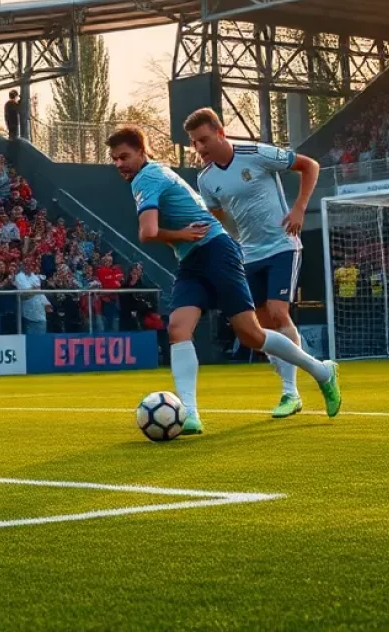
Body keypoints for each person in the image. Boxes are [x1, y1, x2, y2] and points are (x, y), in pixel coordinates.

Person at [106, 124, 340, 436]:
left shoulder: (146, 178)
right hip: (192, 259)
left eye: (124, 157)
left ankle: (321, 371)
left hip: (216, 250)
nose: (119, 164)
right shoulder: (156, 175)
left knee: (252, 335)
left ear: (140, 152)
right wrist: (182, 238)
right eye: (114, 159)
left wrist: (179, 235)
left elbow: (147, 233)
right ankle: (189, 414)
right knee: (178, 328)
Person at [188, 108, 321, 418]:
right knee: (259, 327)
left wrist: (300, 208)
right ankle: (297, 388)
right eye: (195, 143)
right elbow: (218, 215)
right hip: (248, 254)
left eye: (204, 140)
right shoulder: (205, 179)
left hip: (282, 245)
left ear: (220, 132)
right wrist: (231, 241)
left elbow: (309, 165)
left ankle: (292, 390)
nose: (200, 148)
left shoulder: (256, 153)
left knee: (277, 312)